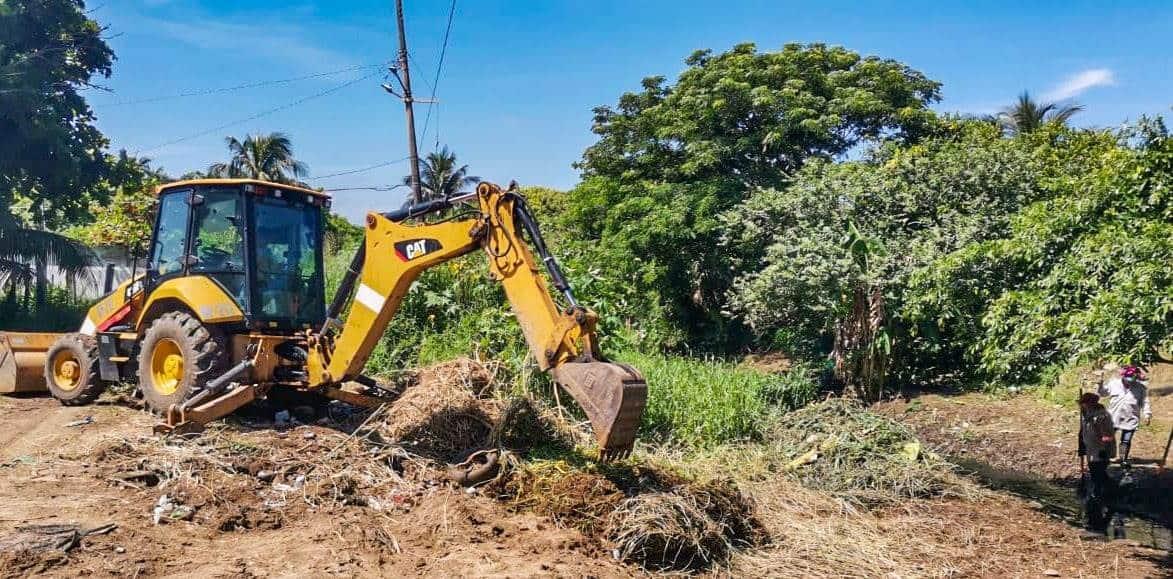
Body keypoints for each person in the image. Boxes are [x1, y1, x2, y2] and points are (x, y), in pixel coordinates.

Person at [1099, 364, 1153, 467]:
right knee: (1108, 438)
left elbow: (1145, 402)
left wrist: (1147, 414)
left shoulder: (1140, 388)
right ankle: (1105, 458)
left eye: (1131, 379)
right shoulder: (1113, 384)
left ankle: (1123, 459)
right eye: (1127, 379)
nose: (1129, 381)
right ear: (1122, 377)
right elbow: (1102, 393)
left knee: (1126, 440)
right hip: (1113, 416)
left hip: (1131, 417)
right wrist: (1100, 384)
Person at [1078, 392, 1116, 533]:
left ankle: (1101, 497)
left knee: (1097, 476)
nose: (1082, 405)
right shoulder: (1088, 416)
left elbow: (1107, 436)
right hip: (1092, 451)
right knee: (1097, 474)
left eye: (1084, 403)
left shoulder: (1101, 416)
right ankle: (1107, 492)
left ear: (1090, 403)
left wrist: (1105, 451)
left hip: (1100, 451)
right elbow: (1084, 434)